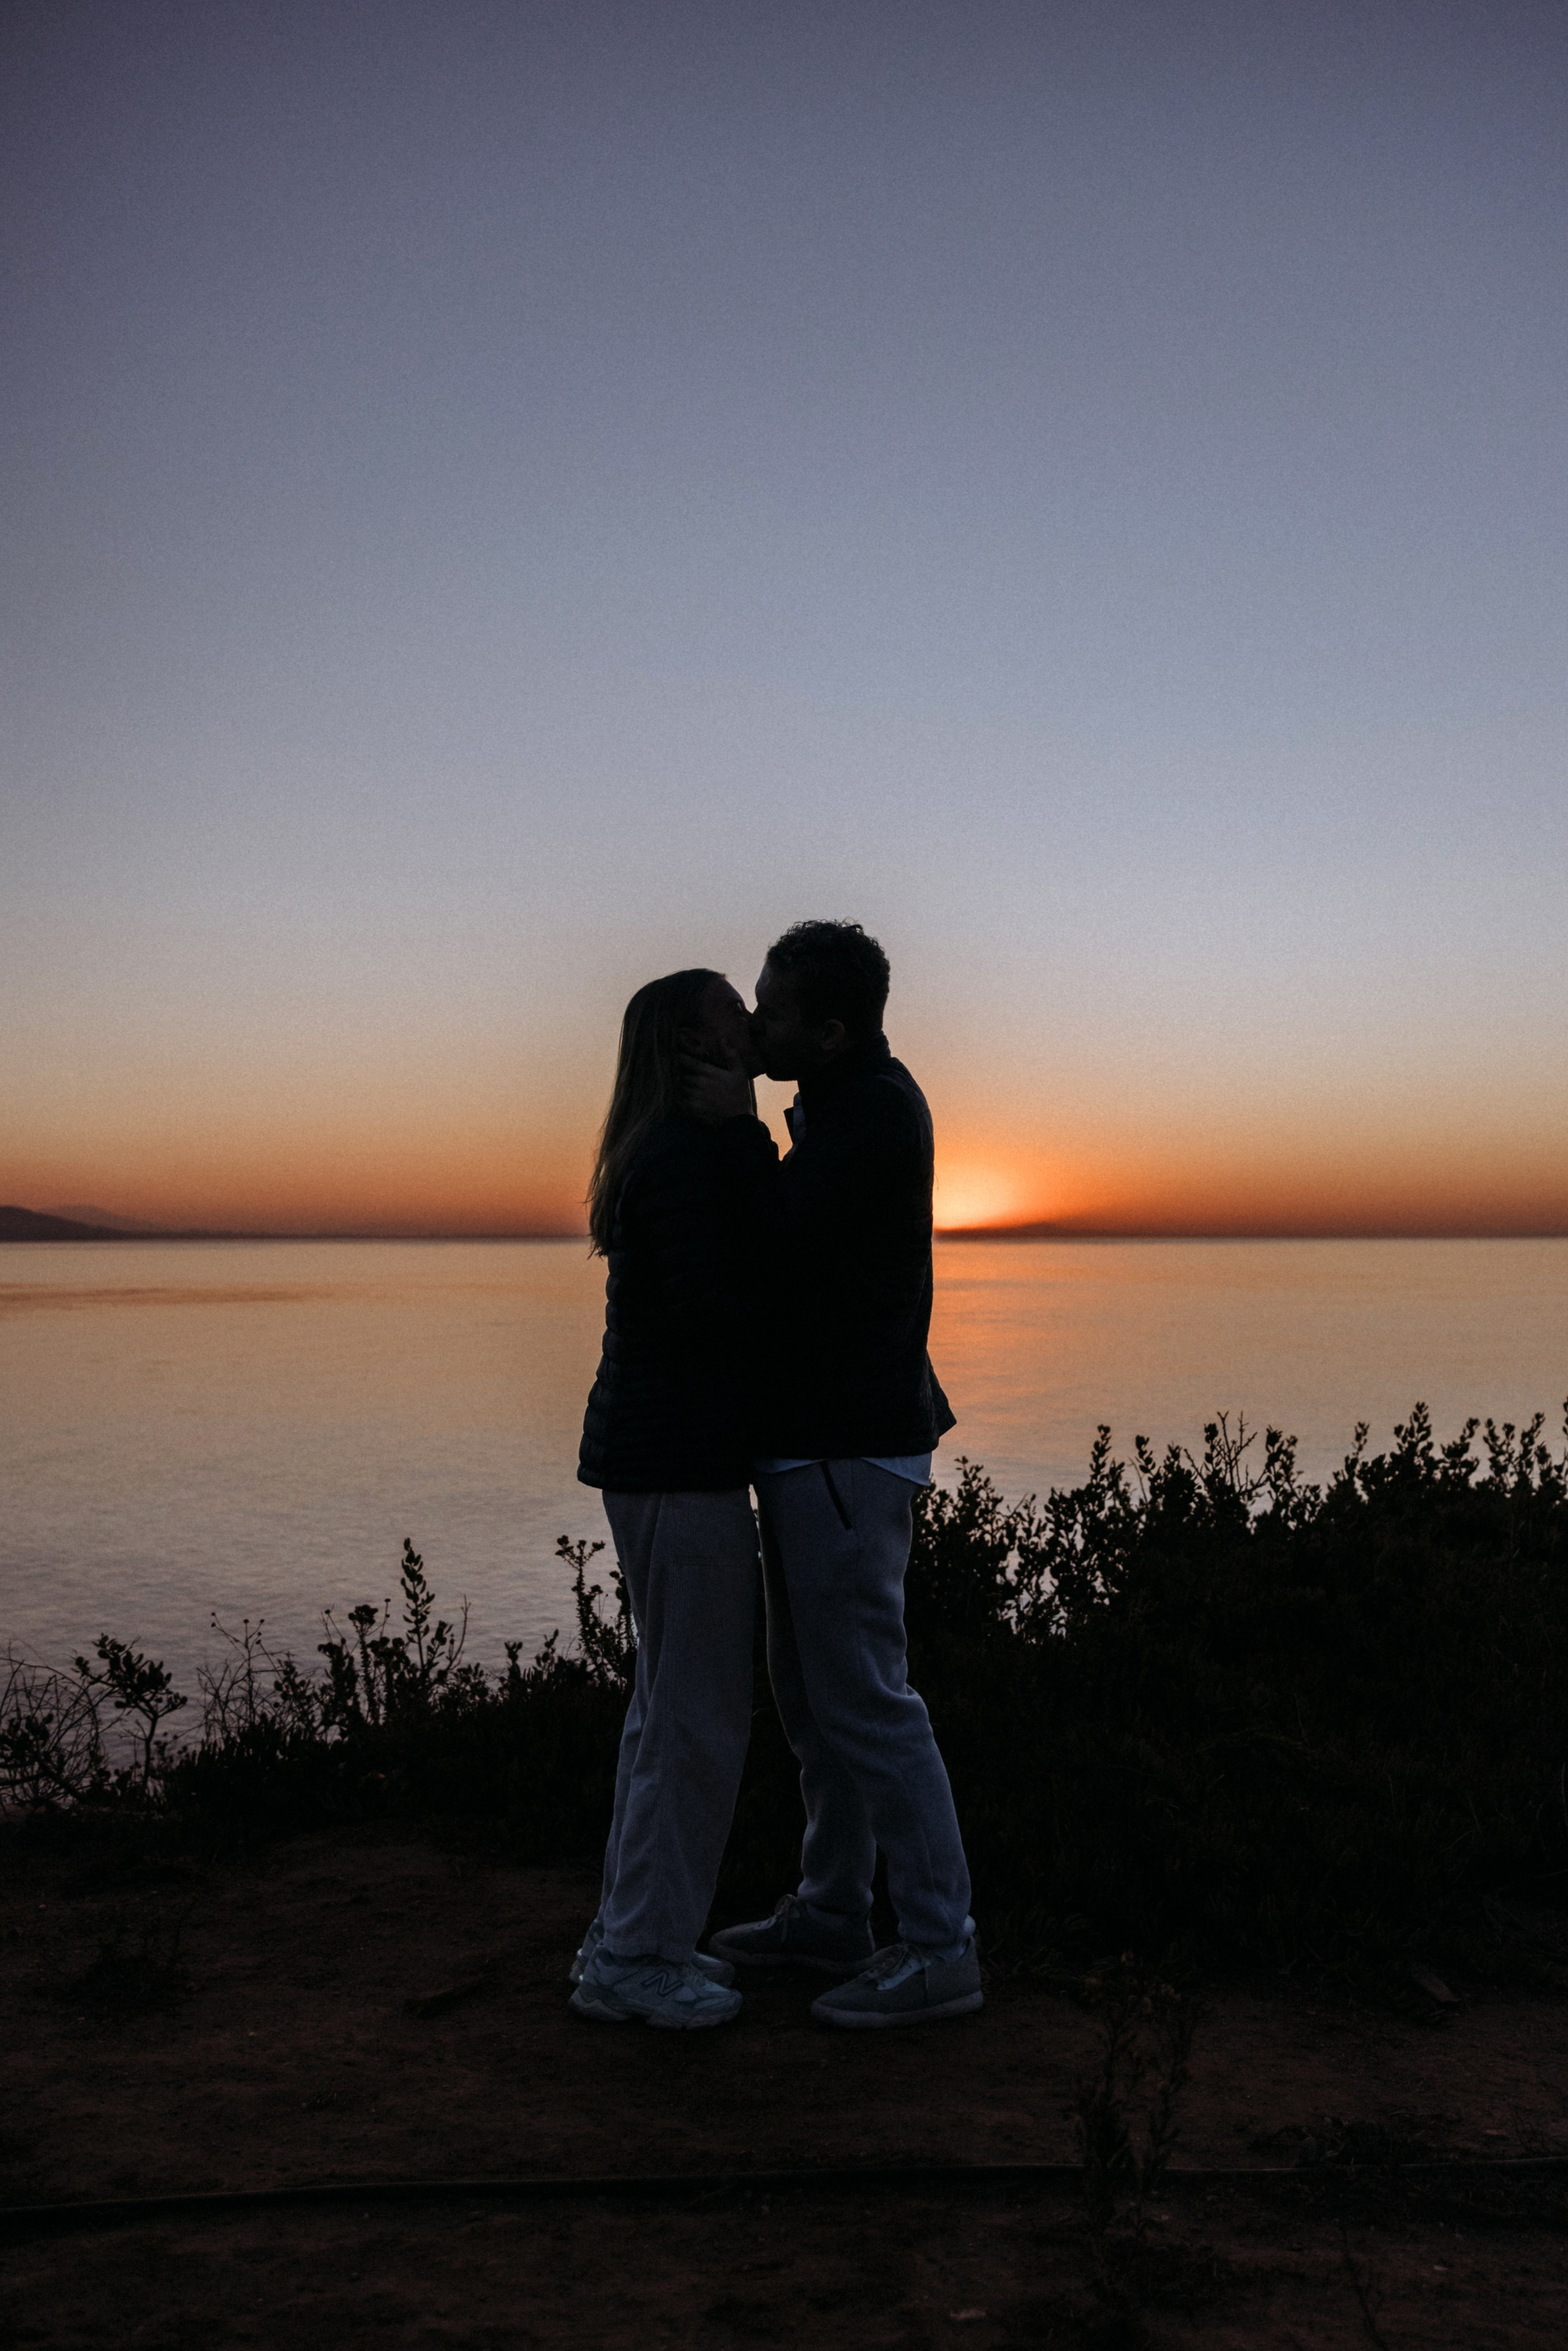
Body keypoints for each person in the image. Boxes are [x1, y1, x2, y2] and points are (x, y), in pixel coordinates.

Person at [685, 920, 981, 2029]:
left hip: (848, 1445)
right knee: (815, 1699)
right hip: (820, 1440)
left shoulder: (874, 1114)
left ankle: (942, 1946)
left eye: (773, 1009)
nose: (756, 1022)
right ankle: (833, 1909)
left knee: (865, 1697)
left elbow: (773, 1235)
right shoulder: (846, 1103)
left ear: (832, 1029)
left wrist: (736, 1129)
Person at [570, 966, 774, 2030]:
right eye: (733, 1010)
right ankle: (638, 1958)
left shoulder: (663, 1148)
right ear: (696, 1045)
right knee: (694, 1716)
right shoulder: (692, 1153)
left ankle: (629, 1935)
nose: (753, 1020)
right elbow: (729, 1306)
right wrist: (748, 1137)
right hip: (677, 1462)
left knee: (667, 1709)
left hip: (659, 1457)